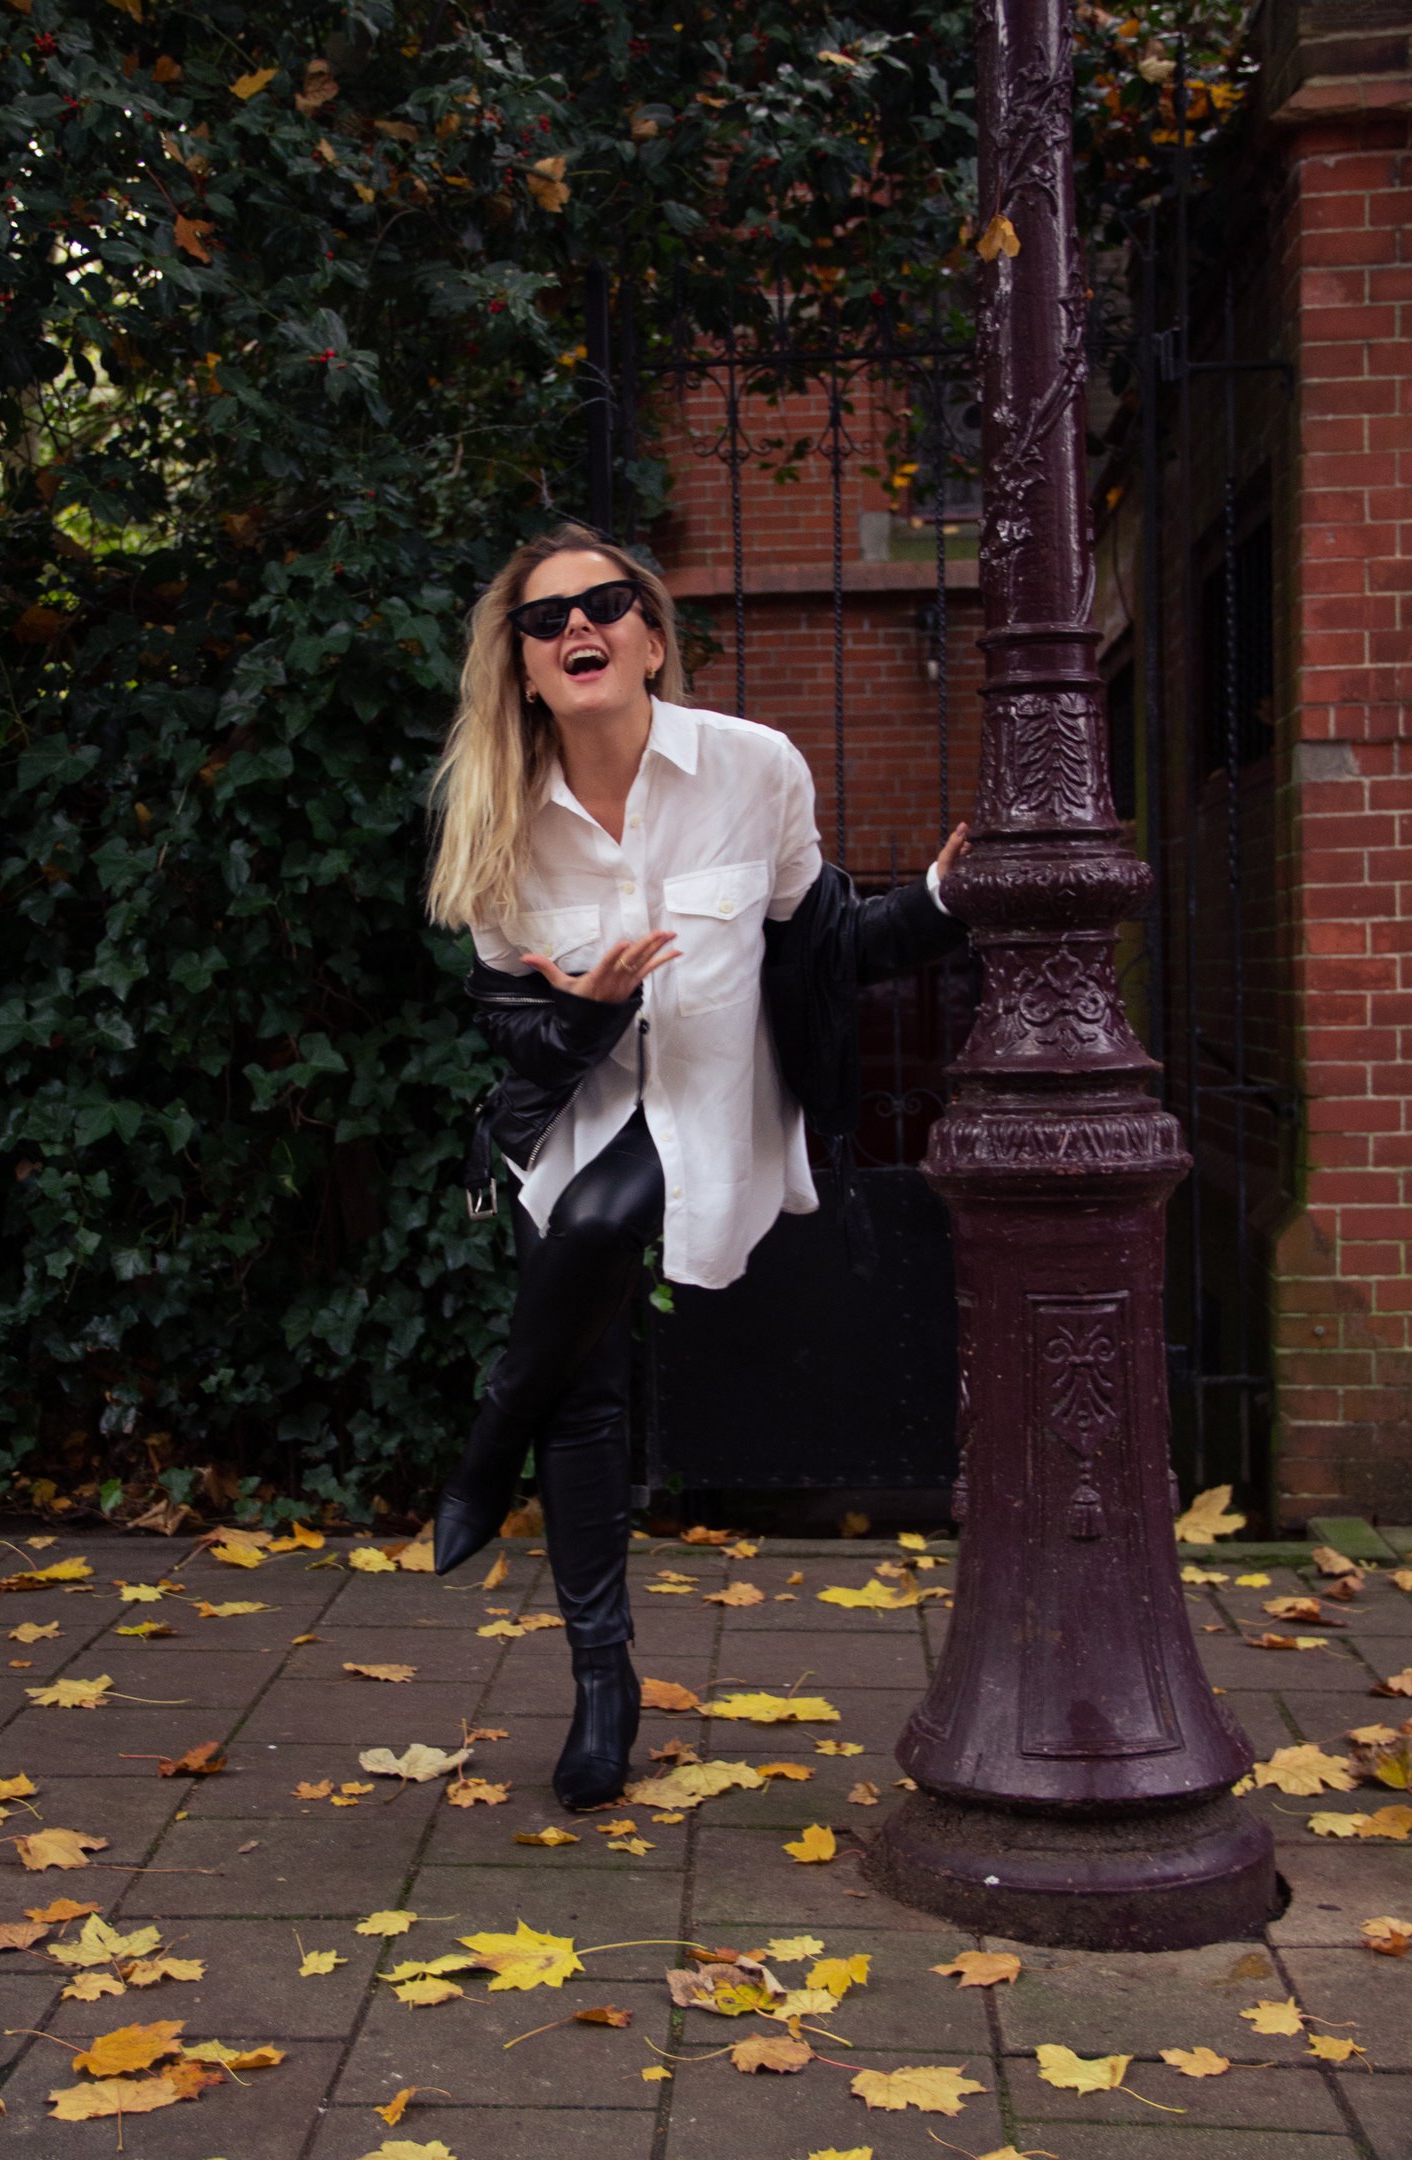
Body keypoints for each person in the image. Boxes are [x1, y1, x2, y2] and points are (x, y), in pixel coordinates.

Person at [423, 522, 968, 1810]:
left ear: (652, 639)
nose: (578, 626)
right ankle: (600, 1688)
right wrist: (589, 1012)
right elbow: (513, 1035)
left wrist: (944, 904)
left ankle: (488, 1440)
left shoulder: (754, 767)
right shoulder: (496, 816)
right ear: (524, 669)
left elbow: (823, 947)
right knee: (586, 1397)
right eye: (545, 619)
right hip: (571, 1120)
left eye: (606, 603)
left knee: (596, 1233)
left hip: (715, 1113)